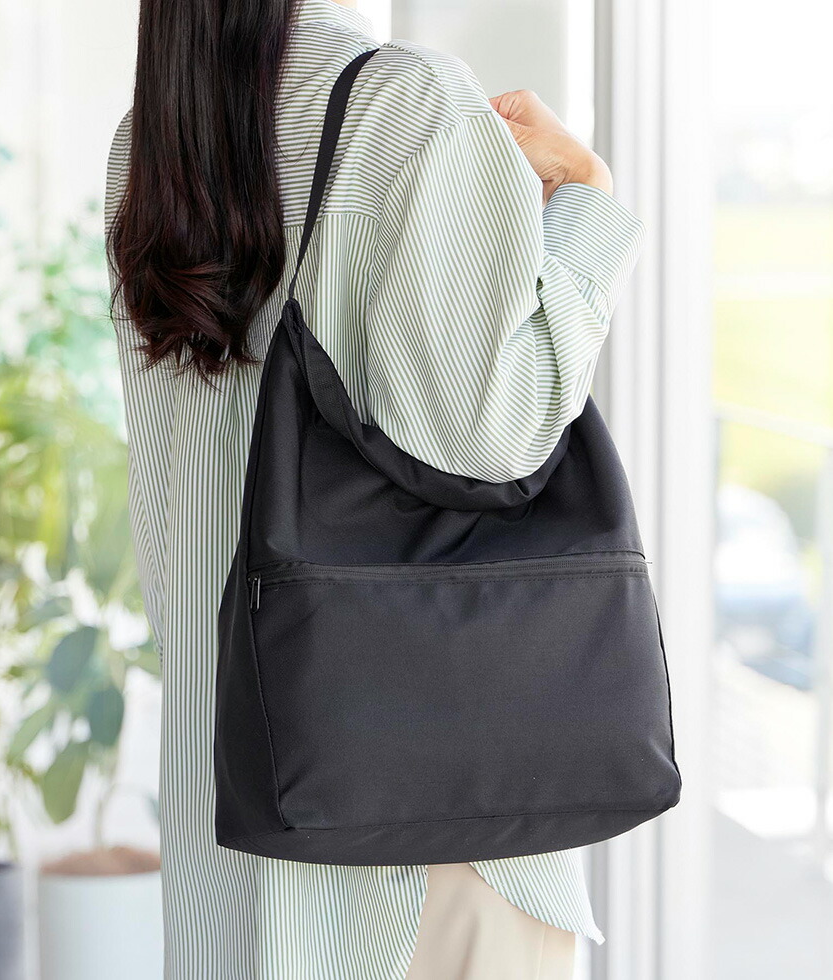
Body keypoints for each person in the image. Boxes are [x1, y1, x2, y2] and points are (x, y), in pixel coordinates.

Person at [105, 0, 644, 976]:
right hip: (424, 847)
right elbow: (493, 437)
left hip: (246, 800)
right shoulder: (408, 101)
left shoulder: (154, 138)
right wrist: (585, 203)